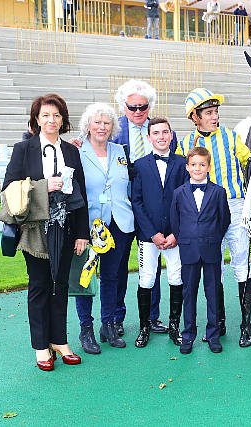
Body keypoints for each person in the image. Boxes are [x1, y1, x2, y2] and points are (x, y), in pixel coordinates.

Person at [2, 94, 89, 371]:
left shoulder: (71, 151)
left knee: (60, 284)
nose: (52, 120)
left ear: (63, 120)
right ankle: (41, 346)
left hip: (66, 227)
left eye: (57, 115)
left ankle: (59, 341)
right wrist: (43, 186)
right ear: (37, 120)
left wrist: (82, 233)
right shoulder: (23, 149)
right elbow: (8, 188)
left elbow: (81, 194)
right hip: (34, 230)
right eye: (46, 115)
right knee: (40, 285)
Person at [176, 88, 251, 348]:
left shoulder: (231, 137)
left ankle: (245, 326)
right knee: (214, 268)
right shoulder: (185, 144)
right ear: (194, 117)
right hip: (204, 213)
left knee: (241, 263)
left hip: (234, 205)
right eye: (208, 113)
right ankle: (218, 323)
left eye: (216, 112)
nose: (214, 117)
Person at [111, 79, 177, 337]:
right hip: (121, 208)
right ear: (123, 106)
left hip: (153, 211)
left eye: (143, 106)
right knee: (117, 267)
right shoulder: (114, 130)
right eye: (132, 107)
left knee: (154, 264)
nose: (138, 111)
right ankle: (116, 318)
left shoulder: (162, 132)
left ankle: (152, 317)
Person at [76, 103, 134, 353]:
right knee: (86, 278)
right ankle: (86, 328)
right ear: (88, 125)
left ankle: (108, 324)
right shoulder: (77, 151)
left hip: (119, 223)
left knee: (112, 276)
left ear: (113, 127)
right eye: (97, 122)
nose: (102, 127)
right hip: (88, 225)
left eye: (107, 123)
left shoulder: (120, 151)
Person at [131, 118, 188, 348]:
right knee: (146, 278)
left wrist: (175, 233)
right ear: (149, 137)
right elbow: (136, 201)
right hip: (149, 236)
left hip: (174, 236)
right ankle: (144, 327)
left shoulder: (182, 163)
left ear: (171, 135)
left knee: (176, 277)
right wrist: (152, 233)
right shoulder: (140, 165)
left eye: (165, 132)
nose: (161, 137)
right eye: (156, 133)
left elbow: (186, 201)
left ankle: (174, 326)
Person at [171, 147, 231, 354]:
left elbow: (224, 220)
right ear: (187, 167)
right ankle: (188, 335)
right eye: (193, 165)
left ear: (208, 167)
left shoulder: (218, 192)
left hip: (211, 248)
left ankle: (213, 334)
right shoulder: (179, 193)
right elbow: (175, 221)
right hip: (188, 249)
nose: (198, 168)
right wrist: (184, 239)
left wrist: (213, 237)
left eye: (202, 165)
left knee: (212, 292)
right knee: (189, 293)